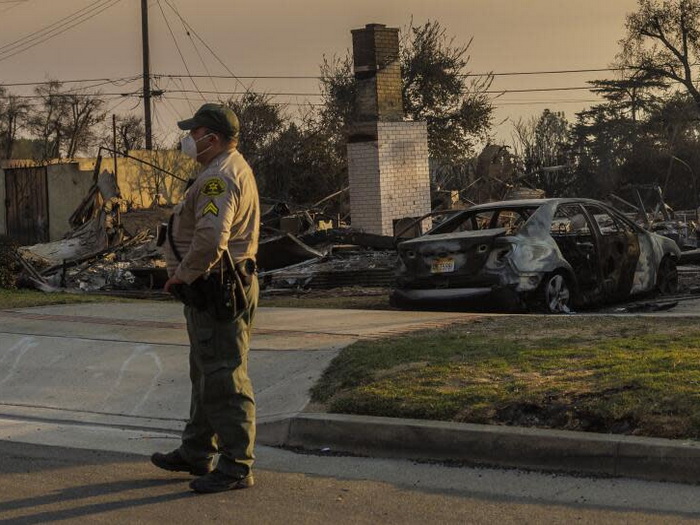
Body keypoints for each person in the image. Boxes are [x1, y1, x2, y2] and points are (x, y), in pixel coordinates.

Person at [151, 103, 260, 494]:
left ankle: (236, 465)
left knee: (224, 375)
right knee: (205, 370)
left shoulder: (220, 178)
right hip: (212, 288)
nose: (188, 139)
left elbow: (213, 238)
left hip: (217, 288)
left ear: (211, 138)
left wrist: (182, 274)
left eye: (194, 133)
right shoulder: (223, 170)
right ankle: (197, 450)